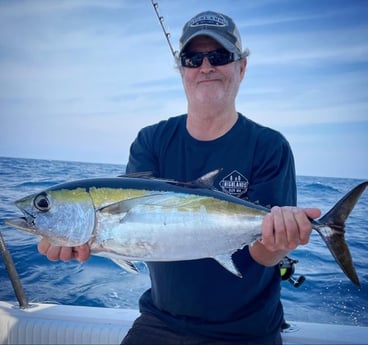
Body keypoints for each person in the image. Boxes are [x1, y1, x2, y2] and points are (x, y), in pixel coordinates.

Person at [38, 10, 321, 345]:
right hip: (161, 322)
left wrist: (278, 243)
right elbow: (135, 233)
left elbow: (263, 255)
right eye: (192, 58)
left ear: (241, 67)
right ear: (182, 70)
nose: (205, 67)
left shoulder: (269, 146)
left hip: (247, 329)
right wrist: (83, 239)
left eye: (219, 56)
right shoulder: (151, 141)